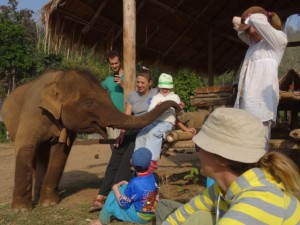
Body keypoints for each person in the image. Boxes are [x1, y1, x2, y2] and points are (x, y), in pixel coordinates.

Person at [155, 107, 300, 225]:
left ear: (221, 158)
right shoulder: (222, 189)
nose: (197, 154)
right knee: (193, 215)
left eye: (199, 147)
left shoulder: (257, 203)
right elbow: (180, 216)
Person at [89, 68, 158, 213]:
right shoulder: (132, 96)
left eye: (142, 83)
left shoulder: (156, 93)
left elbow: (169, 97)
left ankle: (114, 198)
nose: (139, 85)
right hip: (131, 128)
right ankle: (101, 195)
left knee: (127, 161)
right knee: (115, 157)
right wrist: (121, 134)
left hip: (145, 131)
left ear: (150, 83)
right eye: (138, 82)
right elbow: (126, 118)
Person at [232, 6, 288, 141]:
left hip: (261, 107)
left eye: (250, 30)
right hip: (245, 104)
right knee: (244, 144)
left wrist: (254, 18)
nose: (249, 34)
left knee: (259, 147)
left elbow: (259, 21)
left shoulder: (278, 41)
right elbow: (234, 21)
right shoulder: (253, 44)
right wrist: (247, 21)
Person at [90, 147, 159, 225]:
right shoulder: (152, 176)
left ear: (131, 162)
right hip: (152, 213)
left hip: (140, 218)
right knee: (123, 188)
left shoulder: (134, 183)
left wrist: (115, 188)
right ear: (150, 164)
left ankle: (101, 221)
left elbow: (123, 204)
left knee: (112, 196)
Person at [134, 73, 181, 172]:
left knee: (153, 133)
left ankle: (152, 160)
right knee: (141, 133)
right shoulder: (156, 97)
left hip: (167, 122)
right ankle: (138, 158)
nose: (164, 89)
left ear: (170, 88)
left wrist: (165, 106)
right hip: (155, 121)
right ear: (159, 87)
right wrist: (157, 107)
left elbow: (176, 108)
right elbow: (150, 109)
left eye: (166, 88)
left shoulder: (174, 97)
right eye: (162, 87)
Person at [102, 50, 124, 140]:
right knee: (113, 145)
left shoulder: (130, 76)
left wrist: (122, 84)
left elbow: (136, 93)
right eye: (112, 64)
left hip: (125, 118)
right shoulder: (108, 79)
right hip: (111, 118)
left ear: (121, 61)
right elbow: (97, 91)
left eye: (116, 63)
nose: (114, 66)